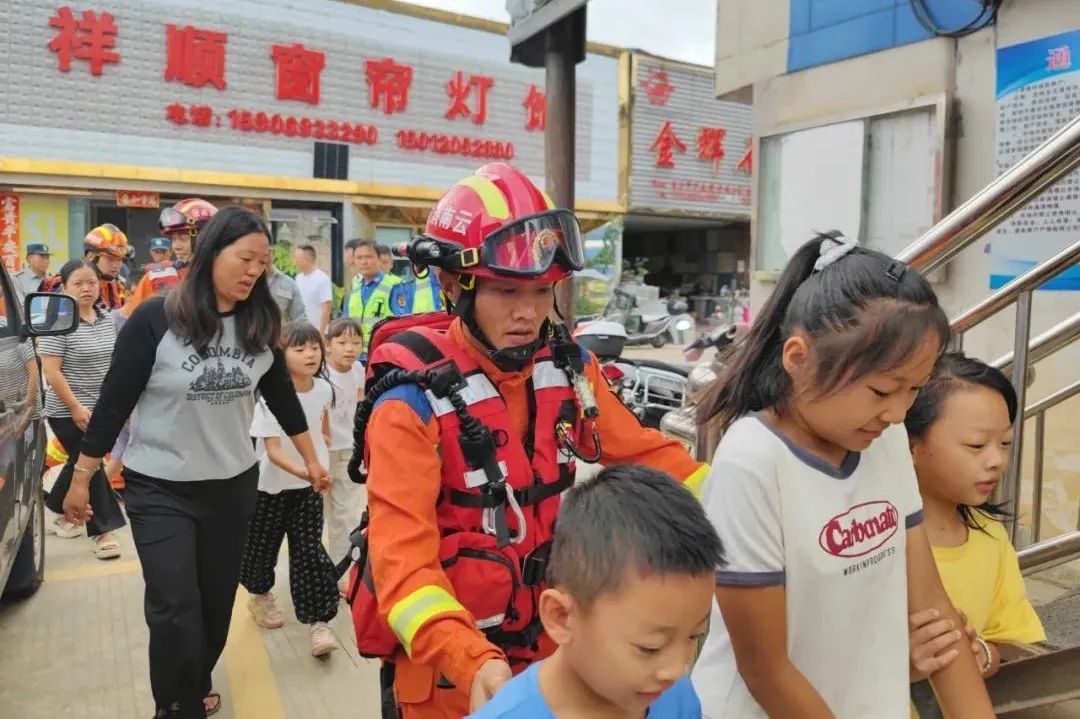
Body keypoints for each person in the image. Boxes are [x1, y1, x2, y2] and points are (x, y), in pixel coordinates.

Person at [349, 163, 708, 719]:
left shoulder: (570, 369)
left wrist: (749, 500)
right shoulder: (409, 406)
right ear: (453, 284)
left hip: (549, 654)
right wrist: (471, 661)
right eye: (506, 290)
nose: (528, 312)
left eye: (542, 291)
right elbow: (402, 565)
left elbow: (651, 456)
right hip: (452, 678)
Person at [689, 232, 993, 718]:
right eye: (882, 391)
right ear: (798, 358)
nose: (898, 412)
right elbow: (766, 670)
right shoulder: (752, 463)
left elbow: (933, 612)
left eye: (914, 390)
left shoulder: (884, 439)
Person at [61, 206, 331, 719]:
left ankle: (194, 682)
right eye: (245, 258)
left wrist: (312, 460)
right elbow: (114, 404)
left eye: (263, 263)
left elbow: (282, 398)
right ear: (212, 252)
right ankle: (176, 706)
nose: (254, 271)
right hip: (159, 486)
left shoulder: (260, 323)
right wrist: (82, 478)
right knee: (173, 608)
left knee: (213, 608)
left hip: (231, 487)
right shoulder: (155, 319)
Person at [468, 465, 720, 718]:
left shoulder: (675, 695)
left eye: (693, 636)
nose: (676, 669)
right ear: (561, 616)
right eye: (650, 648)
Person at [905, 352, 1045, 715]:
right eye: (976, 446)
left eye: (1005, 443)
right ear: (911, 445)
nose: (997, 461)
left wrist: (981, 653)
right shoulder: (864, 541)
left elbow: (1012, 639)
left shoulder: (991, 538)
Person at [242, 321, 340, 657]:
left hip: (310, 487)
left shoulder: (324, 389)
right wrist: (306, 470)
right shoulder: (270, 397)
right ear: (281, 356)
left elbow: (321, 423)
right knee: (261, 547)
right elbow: (273, 451)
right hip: (271, 488)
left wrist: (322, 453)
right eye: (299, 349)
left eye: (314, 347)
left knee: (309, 551)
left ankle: (318, 622)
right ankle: (261, 596)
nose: (310, 354)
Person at [40, 260, 126, 558]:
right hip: (67, 411)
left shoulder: (107, 319)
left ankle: (57, 510)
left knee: (80, 462)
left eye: (91, 282)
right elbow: (52, 372)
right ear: (64, 288)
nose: (86, 288)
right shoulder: (58, 322)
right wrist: (76, 407)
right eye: (78, 283)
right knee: (92, 465)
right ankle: (103, 531)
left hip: (101, 409)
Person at [322, 317, 366, 582]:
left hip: (349, 452)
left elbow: (359, 406)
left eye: (356, 342)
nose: (350, 348)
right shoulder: (319, 372)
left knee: (346, 514)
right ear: (328, 344)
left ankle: (342, 574)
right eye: (342, 342)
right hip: (320, 454)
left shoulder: (359, 370)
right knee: (316, 518)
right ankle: (316, 574)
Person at [122, 198, 218, 318]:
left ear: (206, 238)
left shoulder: (222, 278)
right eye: (174, 239)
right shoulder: (155, 278)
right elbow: (134, 322)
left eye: (183, 238)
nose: (176, 246)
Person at [41, 224, 132, 310]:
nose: (116, 265)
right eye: (110, 259)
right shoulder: (67, 286)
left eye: (119, 259)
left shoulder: (118, 287)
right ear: (90, 256)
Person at [344, 238, 399, 347]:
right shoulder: (355, 286)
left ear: (379, 259)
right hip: (356, 352)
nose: (364, 262)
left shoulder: (395, 286)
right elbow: (345, 321)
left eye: (369, 257)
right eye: (359, 258)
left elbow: (401, 324)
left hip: (382, 350)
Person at [293, 243, 333, 333]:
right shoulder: (298, 278)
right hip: (301, 331)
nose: (294, 261)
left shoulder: (322, 279)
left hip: (317, 331)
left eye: (297, 258)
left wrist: (321, 332)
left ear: (307, 259)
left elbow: (326, 309)